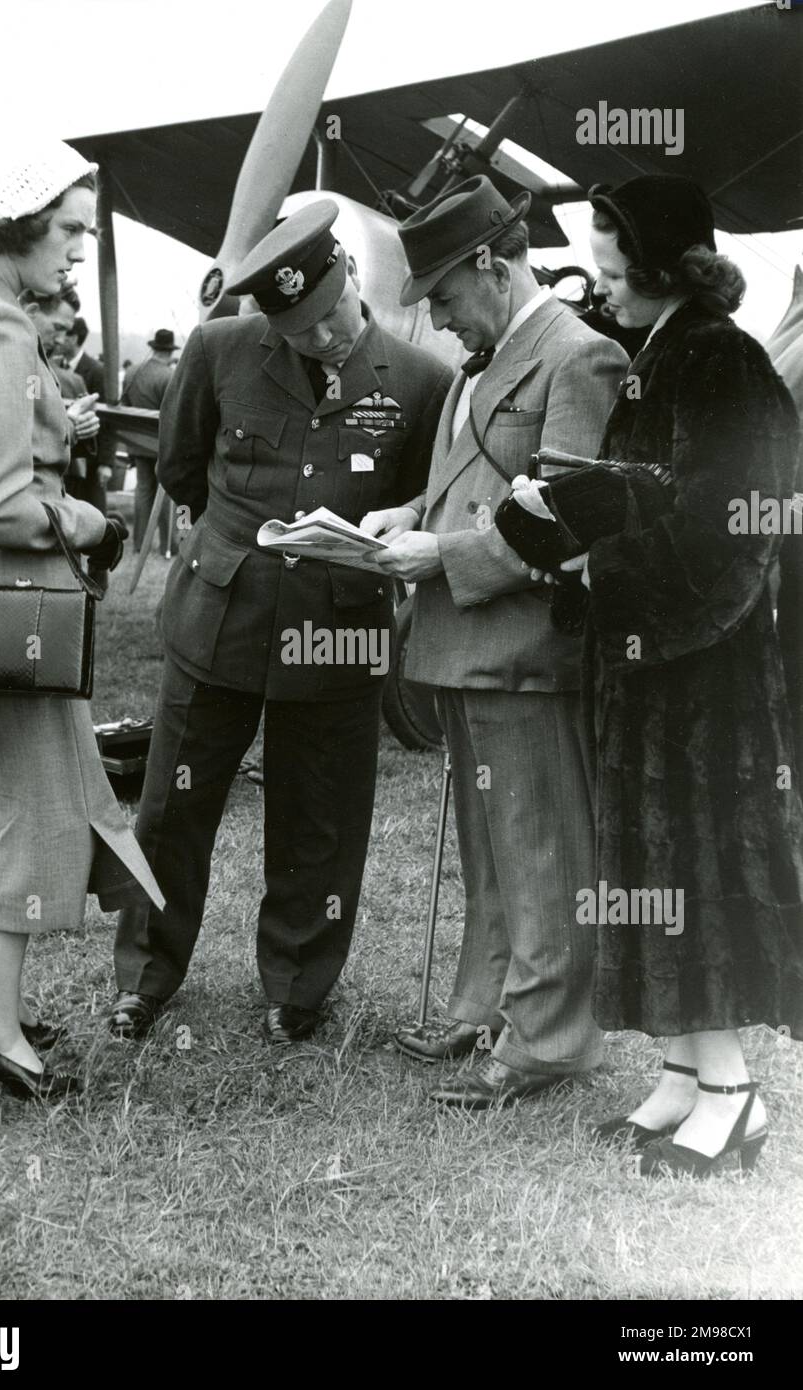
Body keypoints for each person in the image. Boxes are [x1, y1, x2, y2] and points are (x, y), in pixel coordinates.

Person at [505, 174, 803, 1176]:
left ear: (662, 259)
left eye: (612, 261)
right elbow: (655, 493)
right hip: (647, 666)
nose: (601, 282)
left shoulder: (718, 361)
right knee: (645, 870)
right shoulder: (662, 350)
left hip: (700, 682)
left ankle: (729, 1092)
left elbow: (732, 534)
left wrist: (599, 557)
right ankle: (681, 1069)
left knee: (694, 869)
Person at [110, 200, 452, 1044]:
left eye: (332, 315)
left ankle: (296, 986)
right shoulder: (220, 350)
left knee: (320, 814)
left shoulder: (420, 379)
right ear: (269, 319)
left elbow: (421, 499)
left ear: (349, 280)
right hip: (219, 615)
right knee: (172, 807)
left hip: (338, 630)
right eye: (300, 330)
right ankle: (146, 974)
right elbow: (183, 465)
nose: (324, 337)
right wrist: (235, 539)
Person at [363, 175, 628, 1106]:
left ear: (490, 264)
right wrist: (408, 511)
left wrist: (442, 552)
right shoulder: (487, 358)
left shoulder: (577, 355)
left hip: (524, 651)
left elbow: (564, 520)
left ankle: (550, 1038)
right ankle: (486, 1004)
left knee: (541, 847)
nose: (438, 320)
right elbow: (472, 482)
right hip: (468, 645)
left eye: (442, 295)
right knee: (490, 846)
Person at [0, 140, 164, 1102]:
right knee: (32, 818)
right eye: (66, 231)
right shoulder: (0, 328)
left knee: (20, 808)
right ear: (19, 225)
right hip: (13, 602)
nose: (74, 250)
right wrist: (89, 520)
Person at [121, 328, 179, 555]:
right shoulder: (170, 375)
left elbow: (124, 405)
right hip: (161, 444)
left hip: (135, 441)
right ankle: (168, 545)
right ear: (169, 351)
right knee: (165, 494)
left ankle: (139, 544)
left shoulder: (132, 372)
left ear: (154, 348)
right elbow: (174, 413)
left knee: (142, 490)